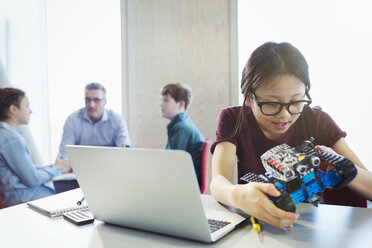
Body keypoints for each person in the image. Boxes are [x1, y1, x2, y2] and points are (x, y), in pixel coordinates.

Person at [210, 42, 372, 229]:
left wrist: (345, 168)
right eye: (271, 103)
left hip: (319, 230)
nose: (285, 115)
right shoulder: (233, 118)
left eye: (296, 101)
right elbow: (218, 182)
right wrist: (238, 194)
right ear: (248, 97)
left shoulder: (317, 121)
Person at [0, 87, 71, 207]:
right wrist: (57, 168)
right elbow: (32, 179)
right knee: (76, 191)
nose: (31, 111)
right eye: (27, 106)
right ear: (13, 109)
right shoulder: (11, 138)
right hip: (24, 198)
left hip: (20, 195)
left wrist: (55, 167)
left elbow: (26, 168)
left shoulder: (6, 134)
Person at [59, 82, 131, 157]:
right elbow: (64, 152)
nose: (91, 105)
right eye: (88, 100)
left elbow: (125, 152)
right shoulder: (72, 120)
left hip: (110, 165)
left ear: (104, 102)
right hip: (80, 166)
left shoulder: (117, 120)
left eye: (96, 100)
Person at [160, 83, 205, 187]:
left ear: (181, 104)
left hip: (184, 185)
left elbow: (173, 164)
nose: (161, 104)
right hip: (184, 181)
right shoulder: (182, 124)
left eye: (166, 100)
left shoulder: (181, 128)